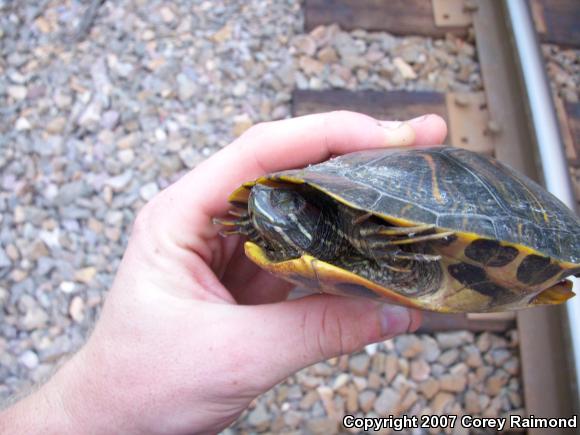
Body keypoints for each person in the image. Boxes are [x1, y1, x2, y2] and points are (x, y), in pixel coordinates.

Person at [1, 111, 447, 434]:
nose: (263, 203)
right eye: (263, 204)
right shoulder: (279, 235)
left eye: (286, 205)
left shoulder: (348, 229)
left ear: (314, 216)